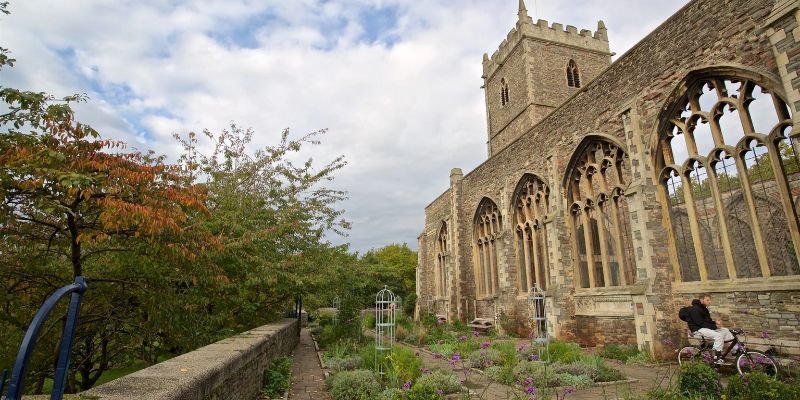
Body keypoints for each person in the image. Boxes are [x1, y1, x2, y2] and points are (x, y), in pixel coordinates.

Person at [685, 293, 733, 362]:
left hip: (704, 328)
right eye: (707, 300)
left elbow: (708, 321)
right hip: (698, 329)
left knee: (725, 330)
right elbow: (700, 323)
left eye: (709, 300)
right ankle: (716, 356)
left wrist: (715, 323)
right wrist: (714, 326)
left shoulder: (704, 308)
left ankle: (735, 349)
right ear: (701, 300)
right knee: (718, 336)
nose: (709, 302)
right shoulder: (694, 309)